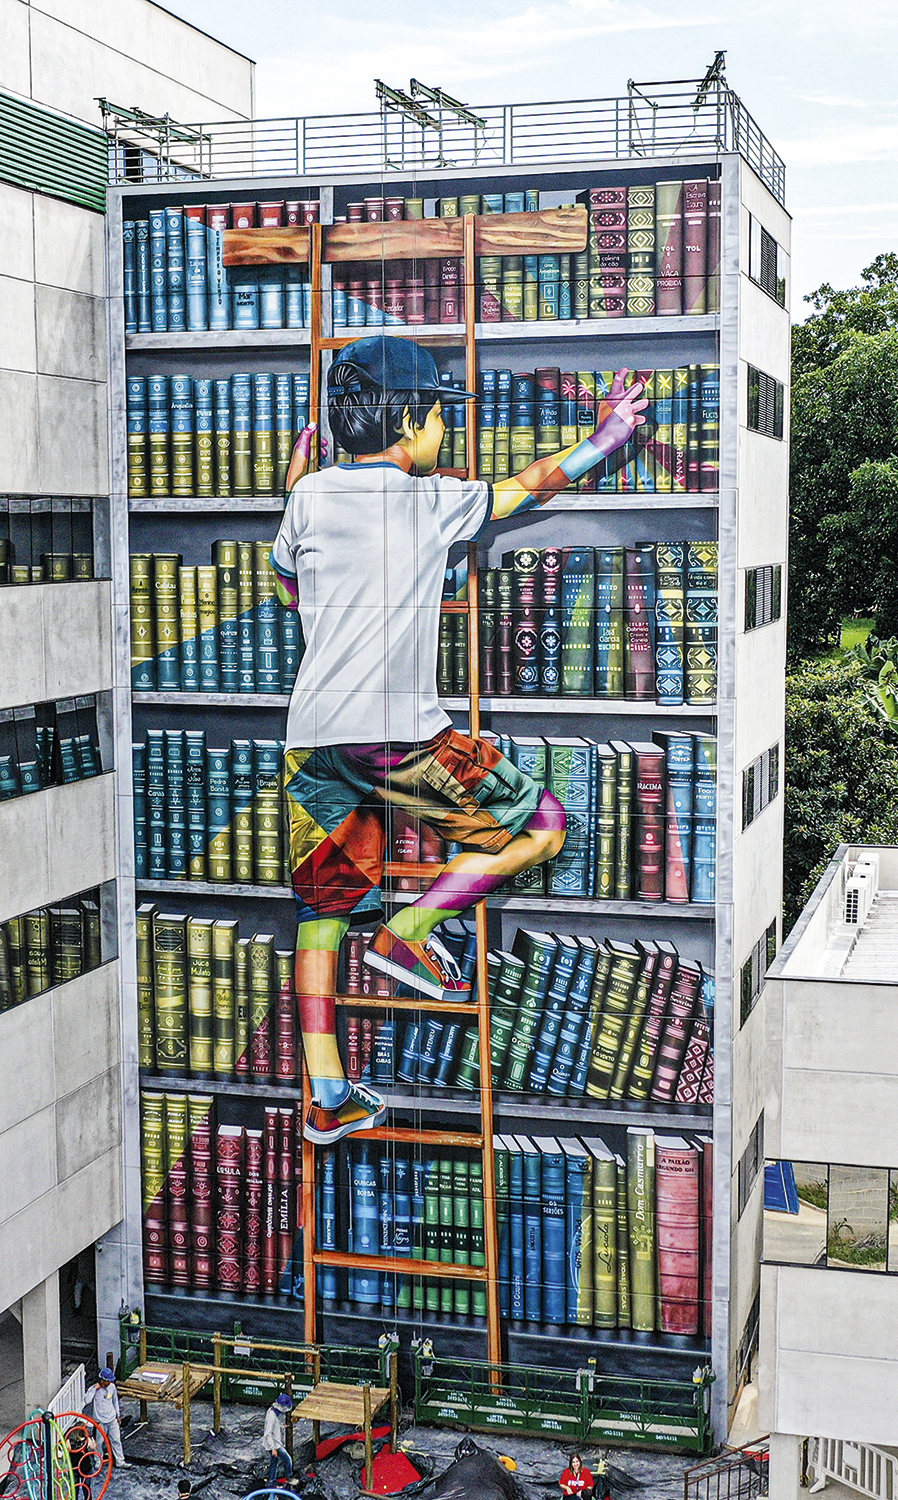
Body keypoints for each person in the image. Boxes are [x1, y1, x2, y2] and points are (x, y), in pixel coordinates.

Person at [272, 334, 646, 1144]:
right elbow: (526, 488)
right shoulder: (429, 497)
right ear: (409, 421)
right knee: (542, 828)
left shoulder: (305, 499)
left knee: (321, 916)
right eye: (439, 414)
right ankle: (410, 934)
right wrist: (609, 438)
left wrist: (302, 495)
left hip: (311, 741)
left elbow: (287, 581)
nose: (442, 430)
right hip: (399, 737)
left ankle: (329, 1093)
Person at [84, 1368, 127, 1466]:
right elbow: (87, 1400)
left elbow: (115, 1401)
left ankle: (120, 1461)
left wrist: (118, 1415)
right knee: (98, 1443)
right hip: (100, 1422)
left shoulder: (112, 1387)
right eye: (107, 1381)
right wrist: (94, 1389)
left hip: (112, 1419)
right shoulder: (94, 1389)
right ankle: (98, 1460)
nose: (109, 1383)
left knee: (116, 1440)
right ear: (102, 1380)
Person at [263, 1391, 294, 1487]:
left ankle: (272, 1481)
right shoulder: (272, 1416)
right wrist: (273, 1448)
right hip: (274, 1444)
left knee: (274, 1463)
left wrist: (280, 1426)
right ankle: (289, 1477)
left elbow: (273, 1426)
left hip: (273, 1443)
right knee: (287, 1459)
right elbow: (267, 1433)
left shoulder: (272, 1412)